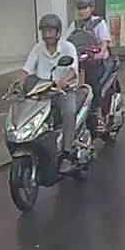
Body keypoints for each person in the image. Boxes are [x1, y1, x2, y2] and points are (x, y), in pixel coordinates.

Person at [11, 14, 80, 171]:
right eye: (44, 31)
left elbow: (73, 70)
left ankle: (67, 154)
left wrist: (63, 81)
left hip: (64, 91)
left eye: (50, 31)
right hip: (42, 92)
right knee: (27, 111)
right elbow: (27, 69)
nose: (47, 35)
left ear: (58, 32)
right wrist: (17, 81)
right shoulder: (38, 48)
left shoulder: (68, 48)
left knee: (69, 113)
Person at [69, 0, 112, 132]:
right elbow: (67, 41)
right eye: (79, 8)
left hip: (97, 62)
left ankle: (99, 115)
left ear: (92, 8)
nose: (81, 11)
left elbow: (104, 41)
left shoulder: (99, 23)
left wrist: (100, 53)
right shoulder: (75, 25)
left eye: (85, 8)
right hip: (81, 61)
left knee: (93, 82)